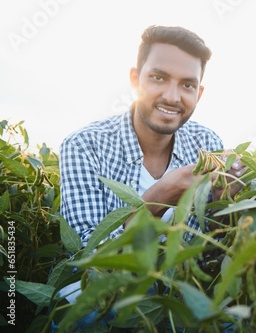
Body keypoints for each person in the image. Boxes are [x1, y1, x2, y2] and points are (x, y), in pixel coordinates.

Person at [55, 25, 245, 331]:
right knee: (79, 314)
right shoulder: (84, 145)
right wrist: (155, 200)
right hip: (109, 291)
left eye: (186, 85)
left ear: (199, 93)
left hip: (180, 289)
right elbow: (85, 257)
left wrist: (224, 205)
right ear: (135, 79)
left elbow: (210, 253)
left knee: (237, 319)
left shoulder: (207, 143)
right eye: (158, 78)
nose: (172, 97)